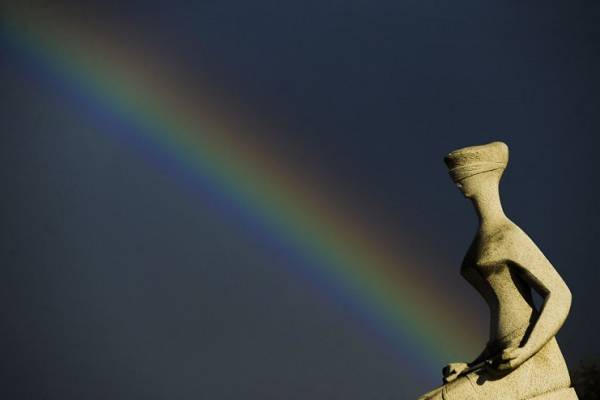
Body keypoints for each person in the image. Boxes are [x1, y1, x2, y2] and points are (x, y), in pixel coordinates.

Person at [418, 141, 577, 399]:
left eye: (462, 175)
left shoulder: (508, 235)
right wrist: (471, 365)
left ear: (482, 176)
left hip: (534, 361)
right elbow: (502, 329)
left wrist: (526, 351)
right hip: (500, 356)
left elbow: (560, 294)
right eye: (455, 178)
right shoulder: (484, 239)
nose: (457, 183)